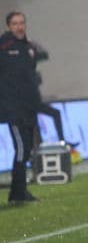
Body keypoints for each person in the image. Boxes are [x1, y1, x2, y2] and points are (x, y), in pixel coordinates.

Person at [0, 12, 43, 204]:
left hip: (28, 108)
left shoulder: (29, 47)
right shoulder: (3, 47)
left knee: (26, 150)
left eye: (22, 23)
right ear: (9, 26)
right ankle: (17, 194)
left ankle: (20, 193)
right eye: (15, 23)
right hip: (13, 109)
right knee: (21, 148)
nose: (19, 27)